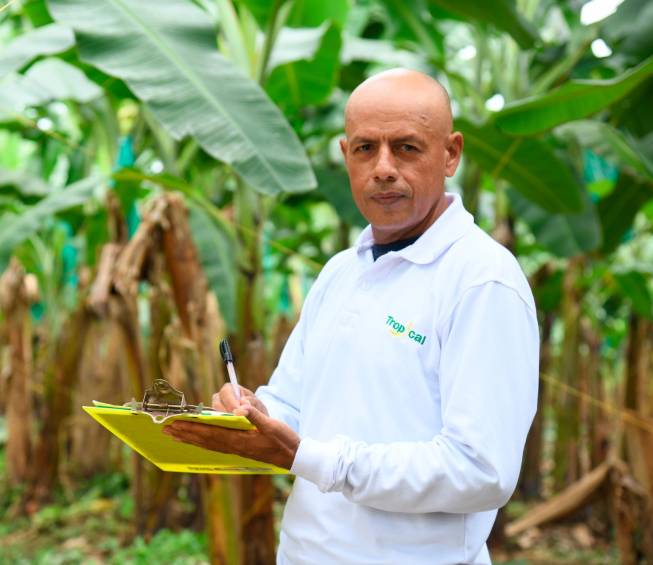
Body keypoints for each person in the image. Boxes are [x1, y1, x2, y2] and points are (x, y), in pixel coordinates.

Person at [164, 68, 539, 565]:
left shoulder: (481, 280)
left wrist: (314, 458)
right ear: (345, 155)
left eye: (406, 147)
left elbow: (481, 470)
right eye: (365, 149)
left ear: (450, 154)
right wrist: (254, 413)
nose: (382, 168)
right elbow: (295, 404)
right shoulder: (342, 272)